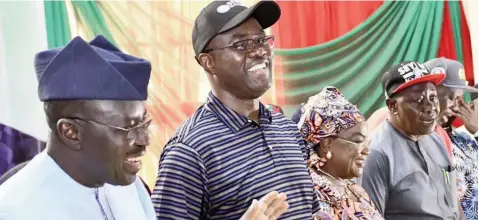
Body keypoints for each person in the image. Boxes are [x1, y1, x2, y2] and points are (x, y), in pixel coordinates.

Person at [0, 35, 288, 220]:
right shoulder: (16, 209)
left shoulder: (128, 185)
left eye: (144, 122)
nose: (144, 140)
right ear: (71, 132)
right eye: (128, 127)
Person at [152, 1, 319, 219]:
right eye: (241, 45)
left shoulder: (287, 130)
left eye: (261, 40)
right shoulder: (190, 151)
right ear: (208, 62)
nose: (260, 51)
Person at [360, 61, 460, 219]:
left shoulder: (436, 139)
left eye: (432, 97)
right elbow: (369, 216)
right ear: (393, 105)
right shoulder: (375, 154)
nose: (429, 107)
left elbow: (453, 202)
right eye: (417, 101)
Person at [298, 86, 383, 220]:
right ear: (327, 144)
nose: (366, 151)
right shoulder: (312, 194)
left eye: (366, 142)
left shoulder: (352, 188)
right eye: (358, 141)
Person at [424, 57, 478, 220]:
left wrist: (476, 132)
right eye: (450, 97)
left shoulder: (464, 138)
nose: (456, 106)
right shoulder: (419, 142)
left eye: (460, 99)